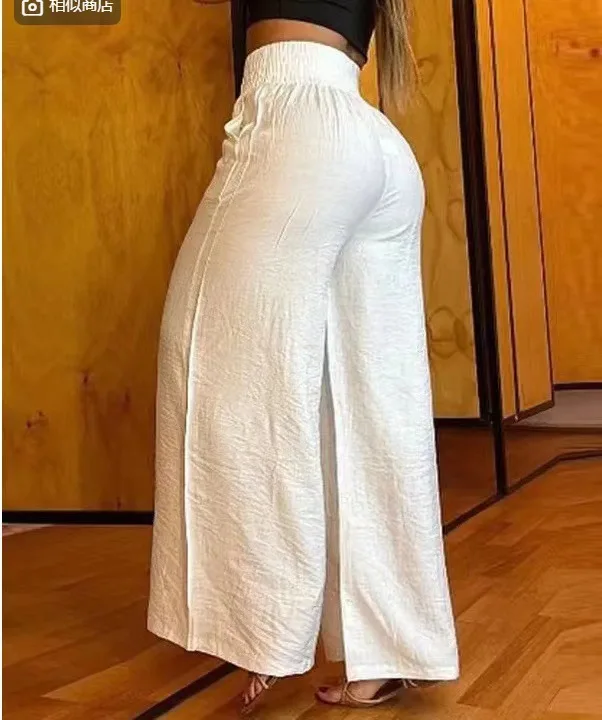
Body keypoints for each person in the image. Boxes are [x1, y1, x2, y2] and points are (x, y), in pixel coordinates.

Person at [148, 0, 459, 714]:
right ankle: (391, 648)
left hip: (294, 126)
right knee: (373, 403)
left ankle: (263, 628)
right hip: (372, 144)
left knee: (215, 363)